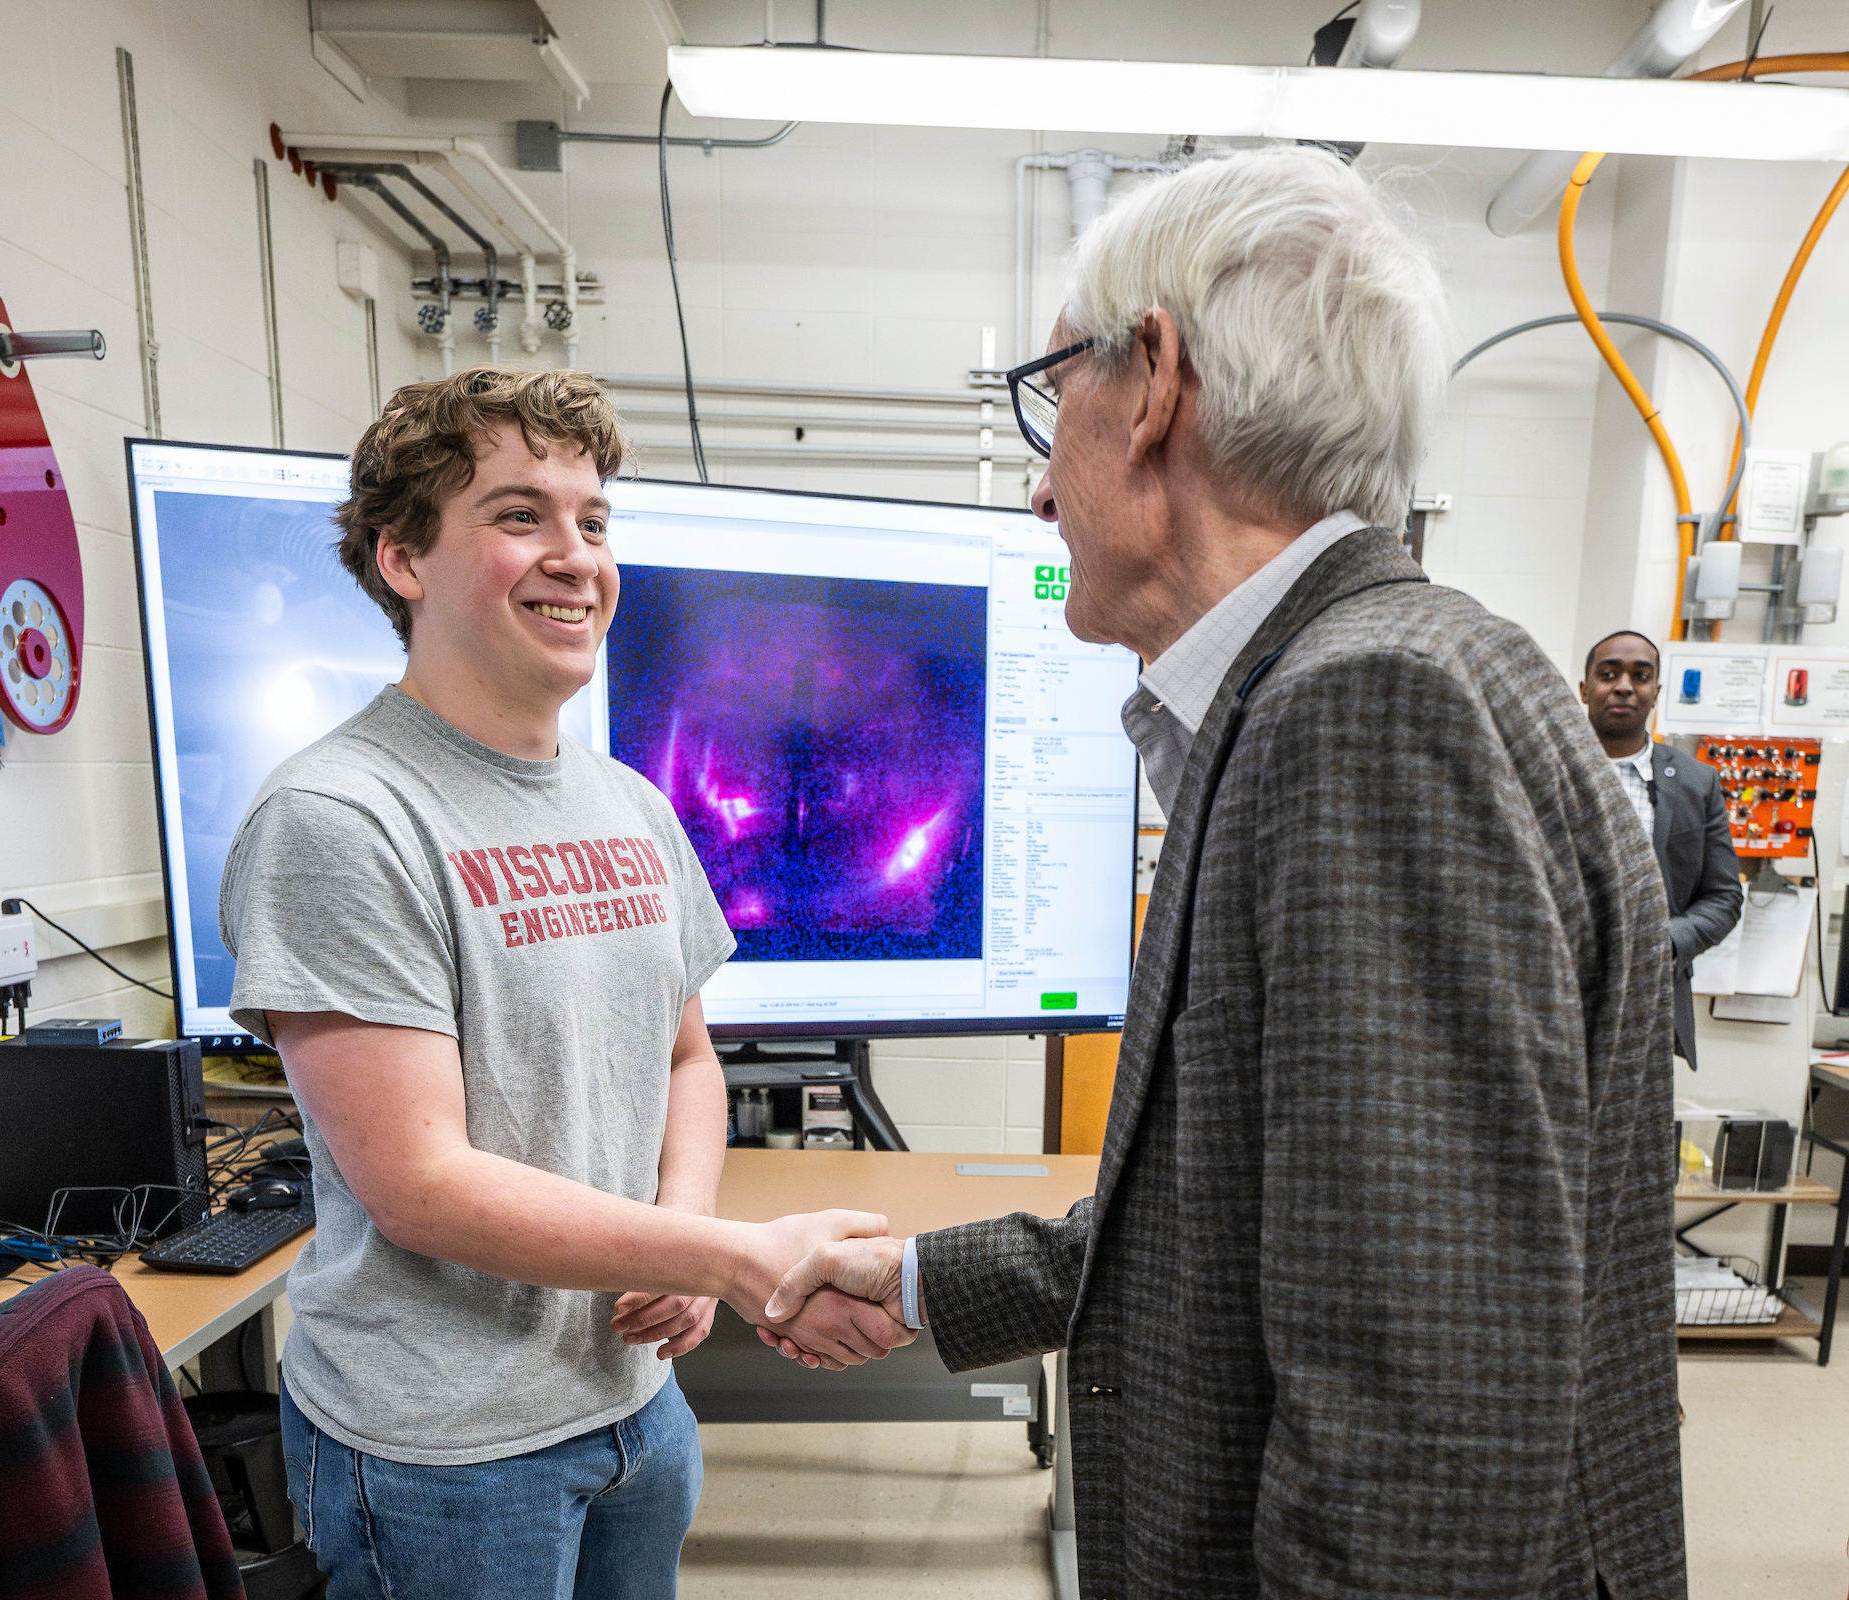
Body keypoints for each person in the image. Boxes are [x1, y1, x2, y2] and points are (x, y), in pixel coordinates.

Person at [761, 148, 1686, 1598]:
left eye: (1049, 390)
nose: (1036, 471)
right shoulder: (1387, 671)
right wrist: (933, 1281)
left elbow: (1423, 1417)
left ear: (1154, 386)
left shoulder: (1362, 710)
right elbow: (1264, 1210)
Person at [217, 368, 912, 1600]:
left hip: (638, 1408)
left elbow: (687, 1057)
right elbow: (422, 1186)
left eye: (594, 520)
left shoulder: (630, 802)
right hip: (446, 1452)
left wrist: (692, 1246)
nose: (576, 555)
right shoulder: (339, 817)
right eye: (519, 514)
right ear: (403, 558)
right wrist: (736, 1257)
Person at [1578, 628, 1742, 1068]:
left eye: (1640, 675)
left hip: (1647, 998)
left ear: (1656, 692)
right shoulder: (1541, 770)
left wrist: (1668, 942)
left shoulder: (1696, 783)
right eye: (1608, 674)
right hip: (1551, 991)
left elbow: (1724, 897)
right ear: (1584, 689)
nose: (1624, 686)